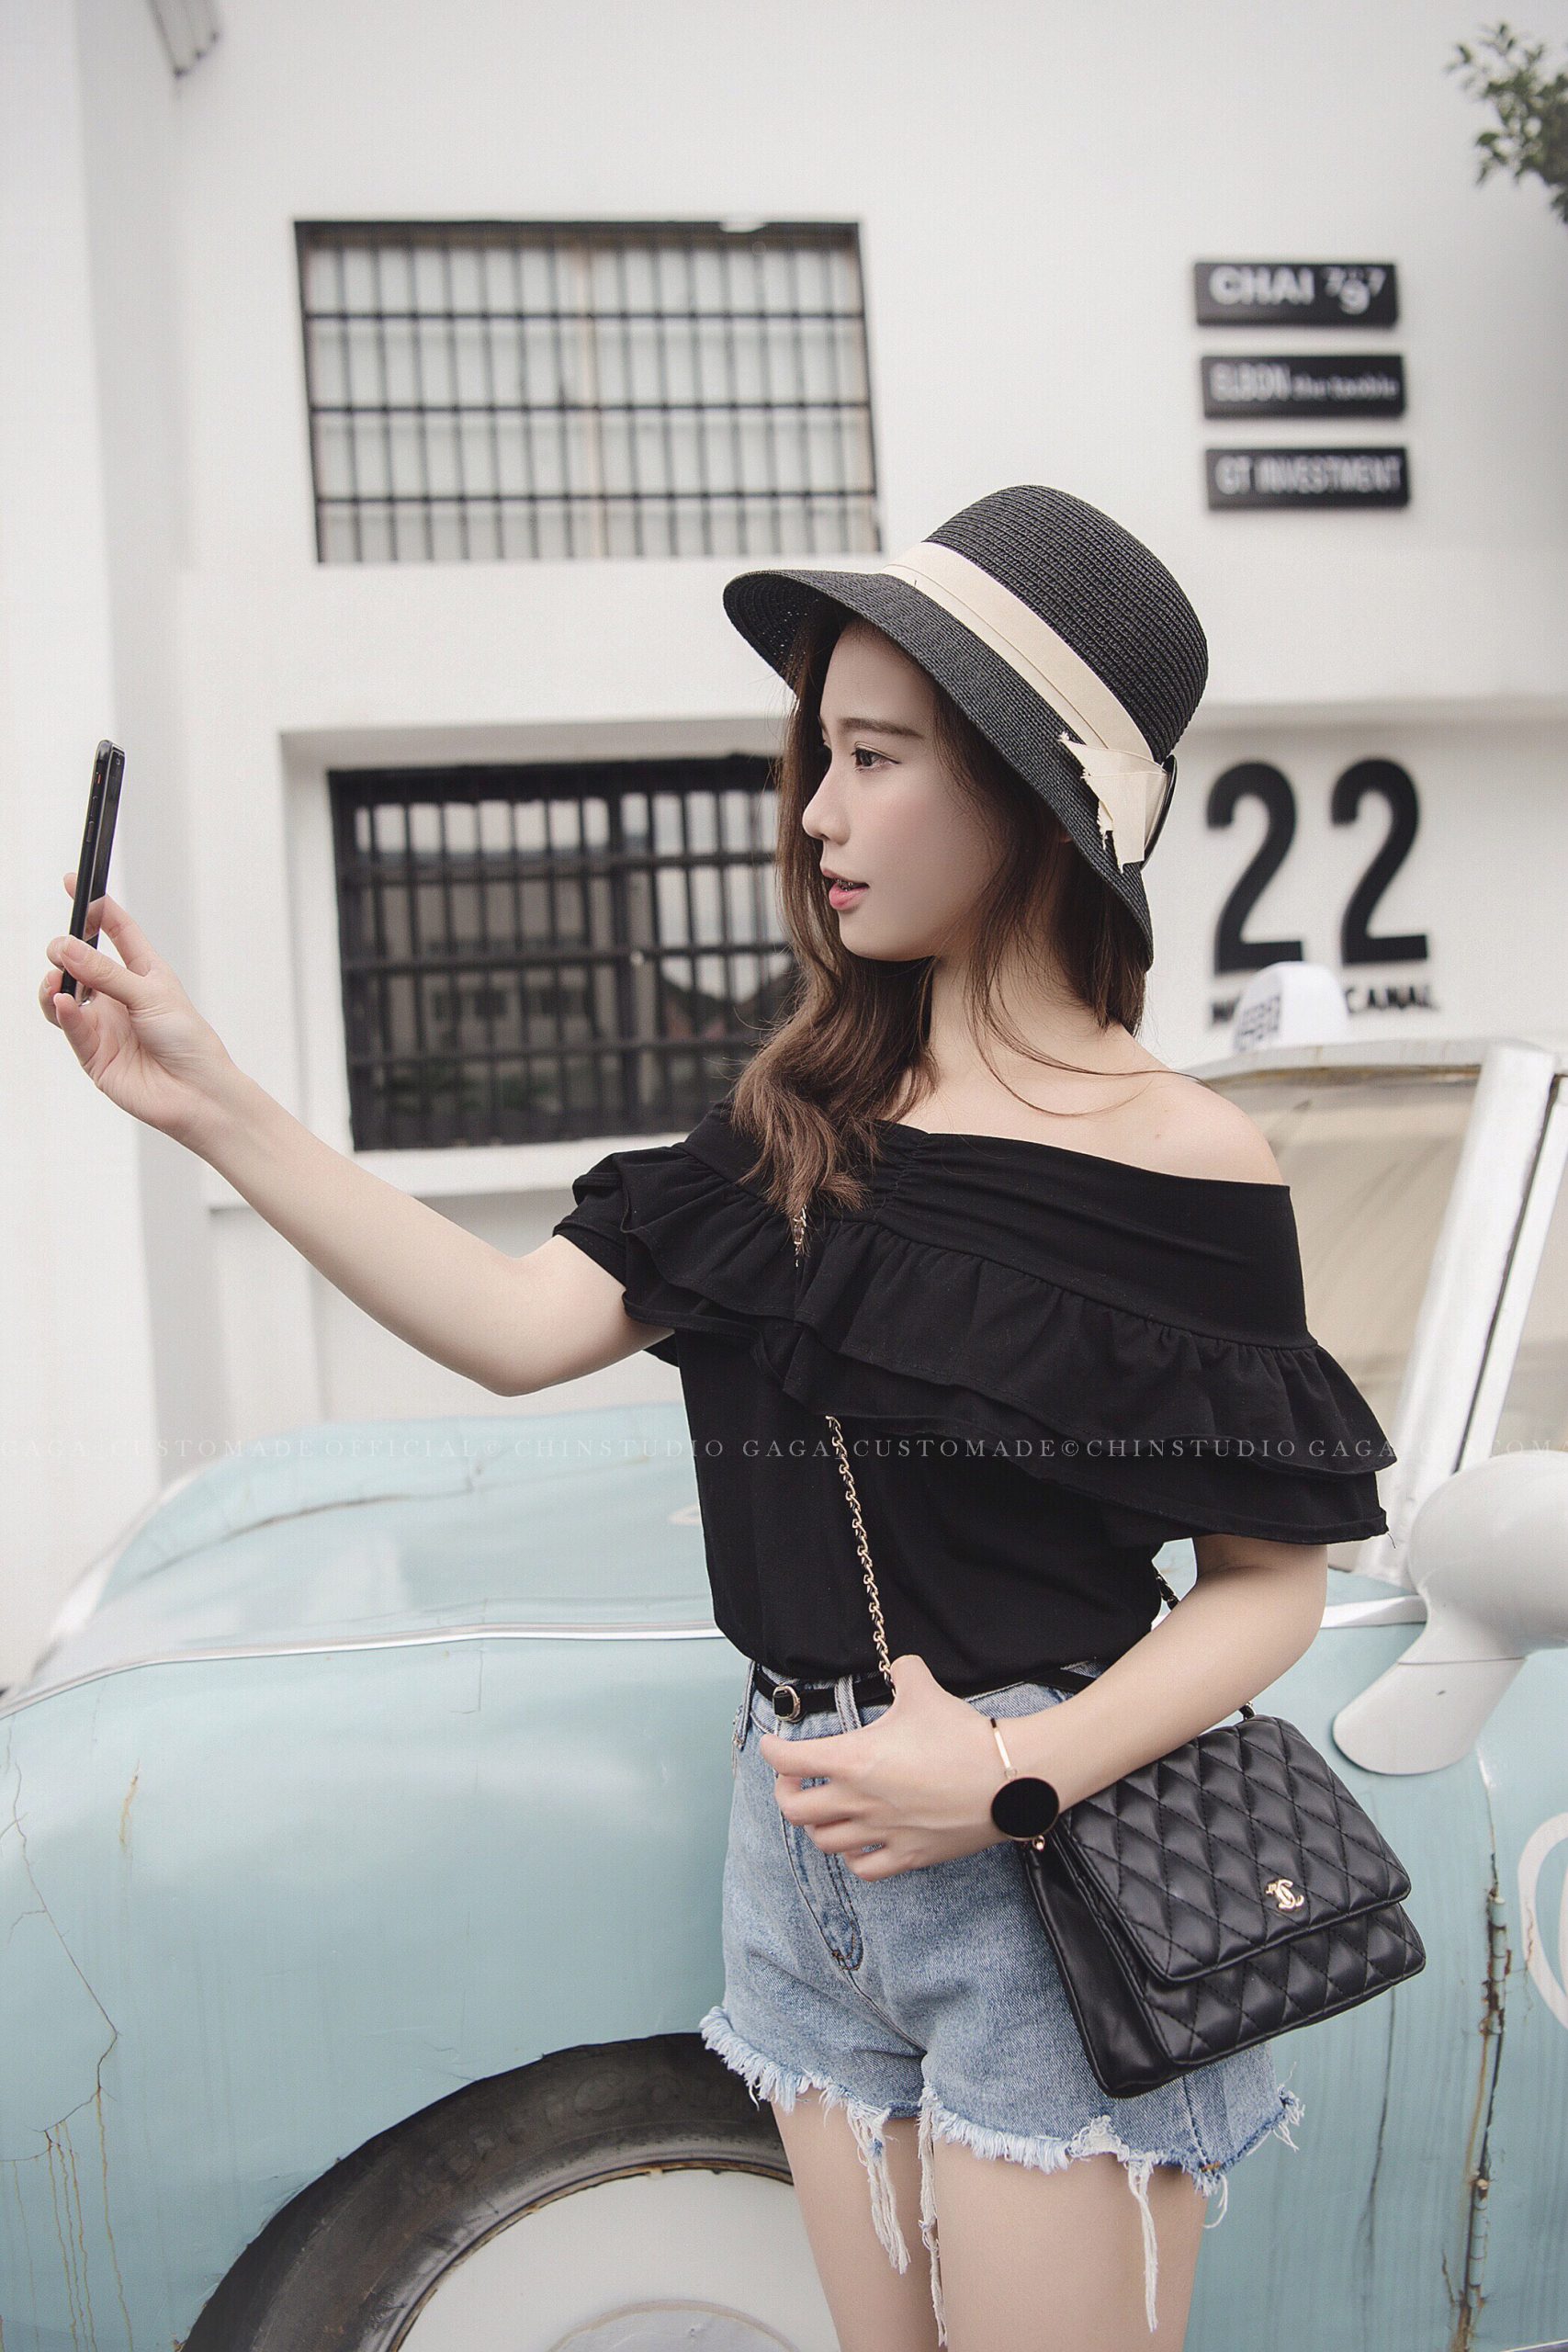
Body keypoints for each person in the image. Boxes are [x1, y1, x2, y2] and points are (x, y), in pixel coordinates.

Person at [39, 482, 1395, 2352]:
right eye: (818, 753)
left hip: (1044, 1868)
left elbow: (1268, 1584)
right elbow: (514, 1324)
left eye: (874, 756)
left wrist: (1013, 1771)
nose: (817, 810)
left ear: (1027, 796)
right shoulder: (793, 1120)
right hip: (799, 1859)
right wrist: (209, 1100)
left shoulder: (1185, 1162)